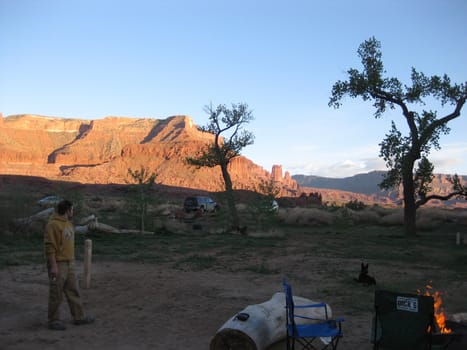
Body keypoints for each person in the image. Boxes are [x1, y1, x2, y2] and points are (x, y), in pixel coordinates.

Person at [44, 199, 94, 330]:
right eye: (72, 209)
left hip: (69, 262)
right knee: (56, 292)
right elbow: (50, 247)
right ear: (67, 210)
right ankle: (53, 320)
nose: (73, 212)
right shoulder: (53, 225)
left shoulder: (68, 224)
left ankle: (79, 317)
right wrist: (53, 266)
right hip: (59, 263)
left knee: (73, 290)